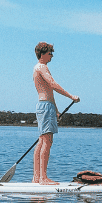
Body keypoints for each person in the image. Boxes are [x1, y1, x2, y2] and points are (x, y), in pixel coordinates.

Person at [32, 42, 79, 185]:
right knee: (47, 141)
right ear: (43, 54)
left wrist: (56, 110)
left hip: (46, 105)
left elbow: (49, 92)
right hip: (45, 107)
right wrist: (71, 96)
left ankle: (37, 178)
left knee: (42, 140)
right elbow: (53, 84)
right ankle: (43, 178)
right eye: (50, 53)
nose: (52, 55)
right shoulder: (42, 67)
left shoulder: (38, 68)